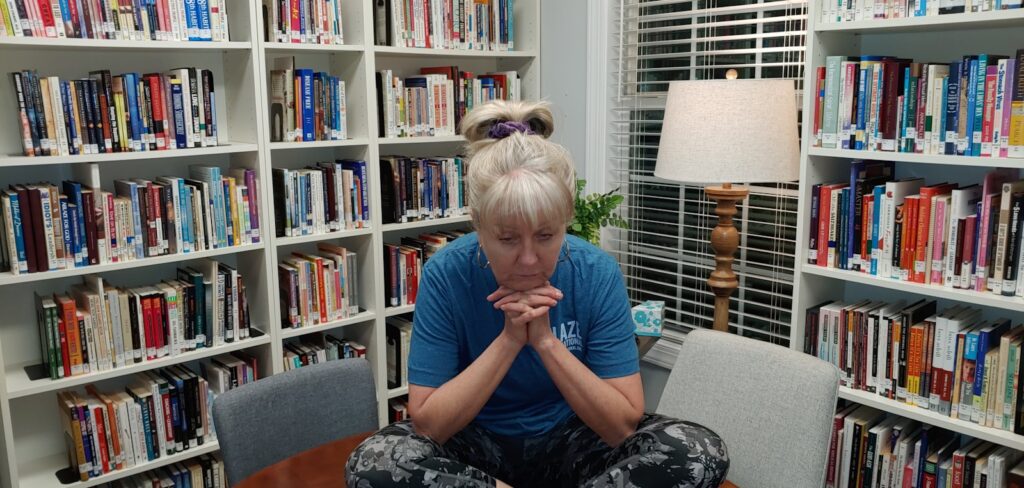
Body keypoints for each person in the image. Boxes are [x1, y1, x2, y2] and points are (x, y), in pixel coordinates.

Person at [346, 101, 729, 487]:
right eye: (507, 238)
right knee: (374, 463)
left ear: (565, 222)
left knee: (698, 451)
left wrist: (545, 341)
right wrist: (511, 339)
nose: (529, 259)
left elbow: (621, 426)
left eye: (546, 235)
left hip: (571, 438)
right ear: (478, 225)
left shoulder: (596, 272)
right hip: (476, 442)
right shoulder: (446, 274)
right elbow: (430, 424)